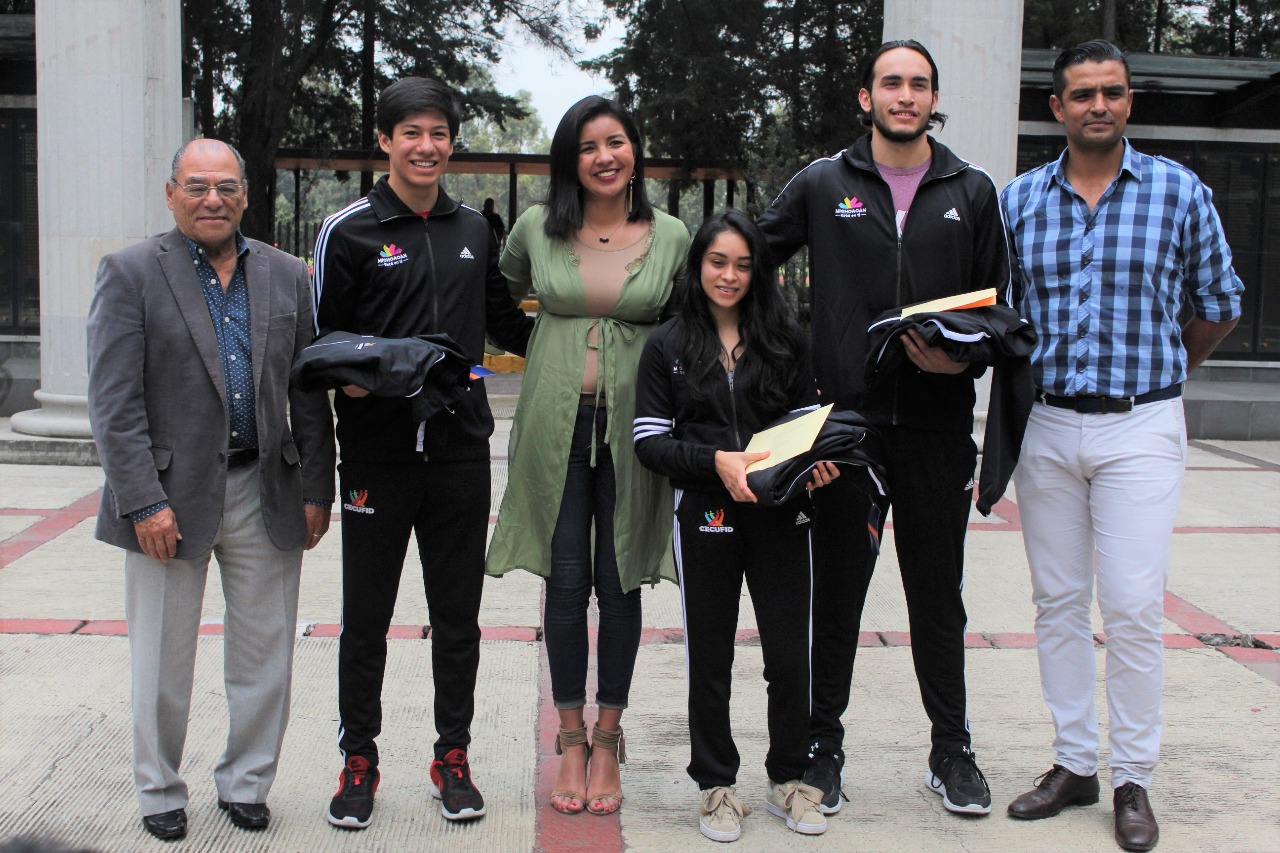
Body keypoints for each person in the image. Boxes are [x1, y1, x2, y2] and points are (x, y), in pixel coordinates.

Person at [757, 38, 1011, 817]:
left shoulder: (971, 189)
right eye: (891, 83)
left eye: (919, 84)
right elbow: (742, 262)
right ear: (866, 97)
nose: (905, 95)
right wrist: (794, 364)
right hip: (849, 429)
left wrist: (960, 361)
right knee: (837, 596)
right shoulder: (823, 182)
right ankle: (822, 748)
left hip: (937, 428)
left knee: (938, 598)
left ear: (933, 99)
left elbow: (998, 307)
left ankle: (951, 750)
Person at [1001, 40, 1243, 853]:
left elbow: (1220, 302)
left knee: (1134, 603)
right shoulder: (1019, 201)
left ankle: (1133, 774)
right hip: (1048, 423)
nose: (1098, 105)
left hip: (1142, 423)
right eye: (1082, 94)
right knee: (1058, 600)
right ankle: (1075, 762)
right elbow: (1001, 313)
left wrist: (1168, 367)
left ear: (1129, 100)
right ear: (1057, 108)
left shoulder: (1179, 191)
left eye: (1112, 92)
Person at [86, 138, 335, 841]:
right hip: (167, 498)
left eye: (225, 186)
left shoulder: (286, 274)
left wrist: (318, 486)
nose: (212, 199)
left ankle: (246, 783)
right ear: (171, 195)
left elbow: (308, 392)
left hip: (266, 488)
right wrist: (142, 500)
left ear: (245, 195)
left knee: (265, 654)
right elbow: (114, 403)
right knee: (162, 660)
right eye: (196, 186)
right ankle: (159, 788)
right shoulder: (132, 272)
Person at [309, 77, 533, 829]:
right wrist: (355, 378)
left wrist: (594, 334)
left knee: (458, 619)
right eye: (411, 132)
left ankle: (453, 756)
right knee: (365, 620)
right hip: (376, 458)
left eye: (438, 133)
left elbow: (505, 322)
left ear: (451, 141)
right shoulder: (348, 231)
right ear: (385, 140)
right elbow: (319, 342)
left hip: (462, 451)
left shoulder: (473, 229)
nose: (426, 146)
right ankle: (359, 759)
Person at [485, 95, 689, 817]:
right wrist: (542, 345)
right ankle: (570, 738)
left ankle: (608, 739)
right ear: (569, 160)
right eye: (588, 146)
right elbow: (499, 295)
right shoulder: (537, 228)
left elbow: (686, 325)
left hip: (637, 430)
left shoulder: (670, 235)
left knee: (621, 579)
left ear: (635, 151)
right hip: (555, 426)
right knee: (568, 580)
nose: (605, 157)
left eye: (616, 142)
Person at [634, 210, 842, 842]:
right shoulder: (667, 344)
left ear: (760, 272)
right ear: (698, 265)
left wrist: (815, 466)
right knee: (711, 655)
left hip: (781, 514)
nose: (729, 275)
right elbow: (649, 441)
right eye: (718, 262)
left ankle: (789, 779)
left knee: (790, 654)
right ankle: (716, 786)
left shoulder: (785, 339)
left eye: (743, 265)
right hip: (706, 511)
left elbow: (807, 425)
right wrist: (713, 462)